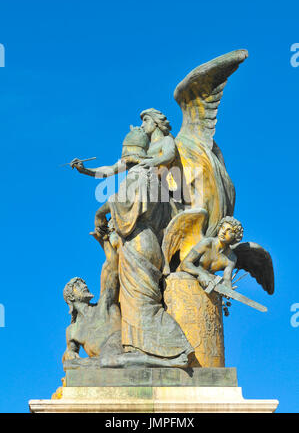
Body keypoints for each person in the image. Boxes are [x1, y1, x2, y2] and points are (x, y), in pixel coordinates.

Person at [70, 109, 194, 366]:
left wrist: (99, 214)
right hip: (141, 243)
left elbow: (124, 200)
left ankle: (177, 349)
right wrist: (85, 171)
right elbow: (109, 171)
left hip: (140, 243)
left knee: (142, 303)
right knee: (137, 303)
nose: (122, 163)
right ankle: (145, 351)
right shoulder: (146, 175)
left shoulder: (144, 176)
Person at [179, 216, 244, 289]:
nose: (223, 232)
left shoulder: (231, 258)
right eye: (222, 228)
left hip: (206, 286)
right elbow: (185, 264)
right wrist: (201, 274)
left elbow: (227, 280)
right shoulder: (207, 243)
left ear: (235, 236)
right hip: (185, 279)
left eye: (229, 231)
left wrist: (228, 289)